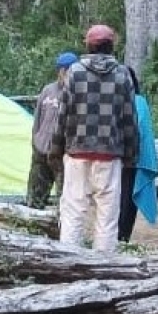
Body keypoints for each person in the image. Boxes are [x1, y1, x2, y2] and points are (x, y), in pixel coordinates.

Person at [50, 25, 138, 253]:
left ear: (88, 45)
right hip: (110, 154)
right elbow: (130, 118)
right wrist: (131, 155)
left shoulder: (75, 72)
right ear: (111, 46)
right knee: (108, 216)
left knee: (73, 212)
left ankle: (68, 262)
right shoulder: (122, 74)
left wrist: (55, 149)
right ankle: (104, 265)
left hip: (77, 152)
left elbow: (63, 115)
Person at [27, 51, 77, 209]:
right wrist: (35, 140)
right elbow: (37, 119)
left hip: (63, 154)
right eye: (64, 69)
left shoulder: (77, 93)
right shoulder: (48, 91)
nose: (66, 73)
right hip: (41, 151)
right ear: (60, 70)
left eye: (70, 70)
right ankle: (32, 224)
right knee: (36, 195)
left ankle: (61, 228)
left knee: (65, 197)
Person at [118, 66, 158, 242]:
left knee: (125, 199)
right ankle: (118, 237)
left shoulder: (138, 101)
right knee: (118, 199)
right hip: (119, 157)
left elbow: (143, 130)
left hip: (130, 158)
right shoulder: (118, 99)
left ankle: (122, 236)